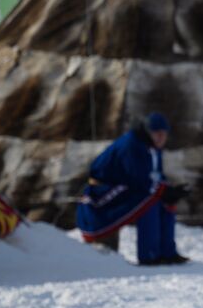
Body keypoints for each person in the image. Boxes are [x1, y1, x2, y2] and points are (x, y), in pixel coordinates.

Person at [76, 112, 189, 265]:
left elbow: (156, 175)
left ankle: (167, 252)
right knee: (149, 201)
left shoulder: (153, 147)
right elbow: (138, 179)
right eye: (157, 134)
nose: (161, 138)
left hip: (130, 186)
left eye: (164, 134)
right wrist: (163, 191)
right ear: (148, 132)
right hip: (105, 190)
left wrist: (171, 190)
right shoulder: (132, 145)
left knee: (167, 202)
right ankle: (149, 255)